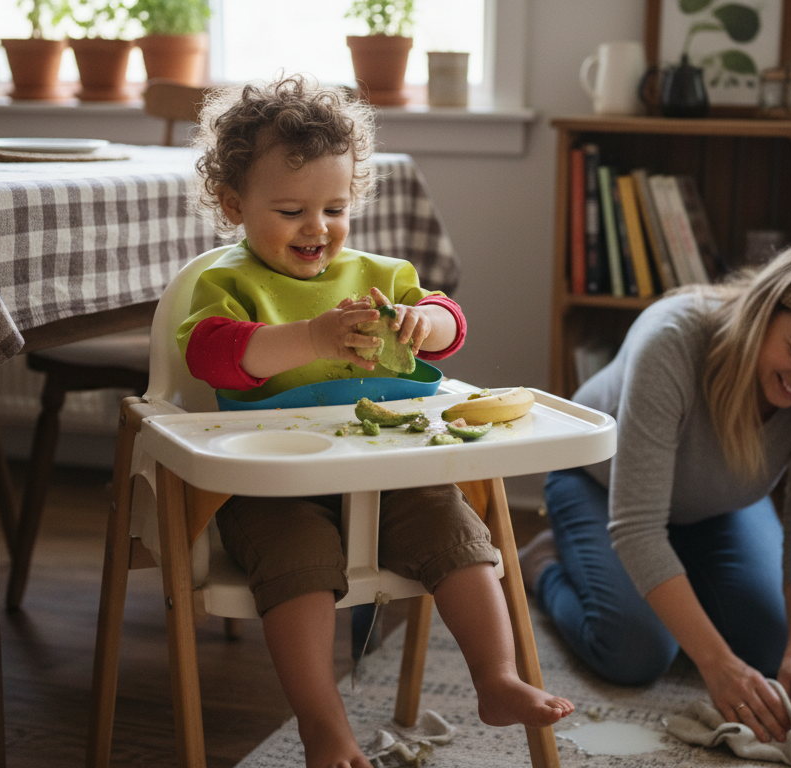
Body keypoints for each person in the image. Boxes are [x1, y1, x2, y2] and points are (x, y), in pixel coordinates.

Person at [178, 75, 573, 768]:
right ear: (234, 204)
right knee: (298, 564)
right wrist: (311, 338)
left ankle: (497, 678)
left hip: (393, 474)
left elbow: (450, 325)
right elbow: (212, 355)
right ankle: (323, 725)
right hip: (277, 483)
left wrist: (425, 321)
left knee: (458, 533)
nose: (317, 228)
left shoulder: (381, 275)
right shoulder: (226, 283)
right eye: (292, 210)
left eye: (334, 208)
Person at [521, 234, 791, 744]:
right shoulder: (672, 338)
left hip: (716, 506)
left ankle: (671, 578)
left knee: (770, 647)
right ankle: (544, 564)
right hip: (597, 484)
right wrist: (717, 664)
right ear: (765, 309)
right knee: (636, 652)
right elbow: (638, 527)